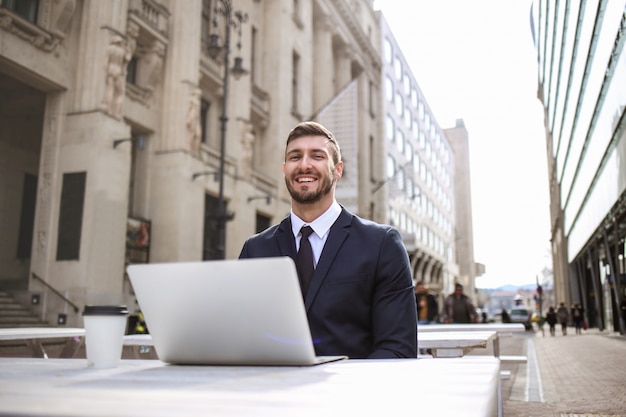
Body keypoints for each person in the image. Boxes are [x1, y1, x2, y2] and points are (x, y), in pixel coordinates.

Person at [239, 121, 417, 359]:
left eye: (317, 156)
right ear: (284, 169)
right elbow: (241, 335)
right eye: (295, 157)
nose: (304, 165)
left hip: (347, 392)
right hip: (273, 388)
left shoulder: (381, 244)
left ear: (338, 169)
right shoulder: (256, 249)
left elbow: (397, 348)